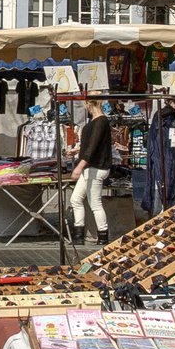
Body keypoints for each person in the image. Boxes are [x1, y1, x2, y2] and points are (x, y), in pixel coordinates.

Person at [66, 96, 113, 246]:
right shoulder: (95, 121)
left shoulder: (101, 121)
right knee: (76, 199)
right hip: (90, 168)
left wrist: (79, 166)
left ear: (89, 103)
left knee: (95, 203)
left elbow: (93, 146)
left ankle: (103, 237)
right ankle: (78, 236)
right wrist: (77, 150)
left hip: (95, 167)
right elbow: (91, 143)